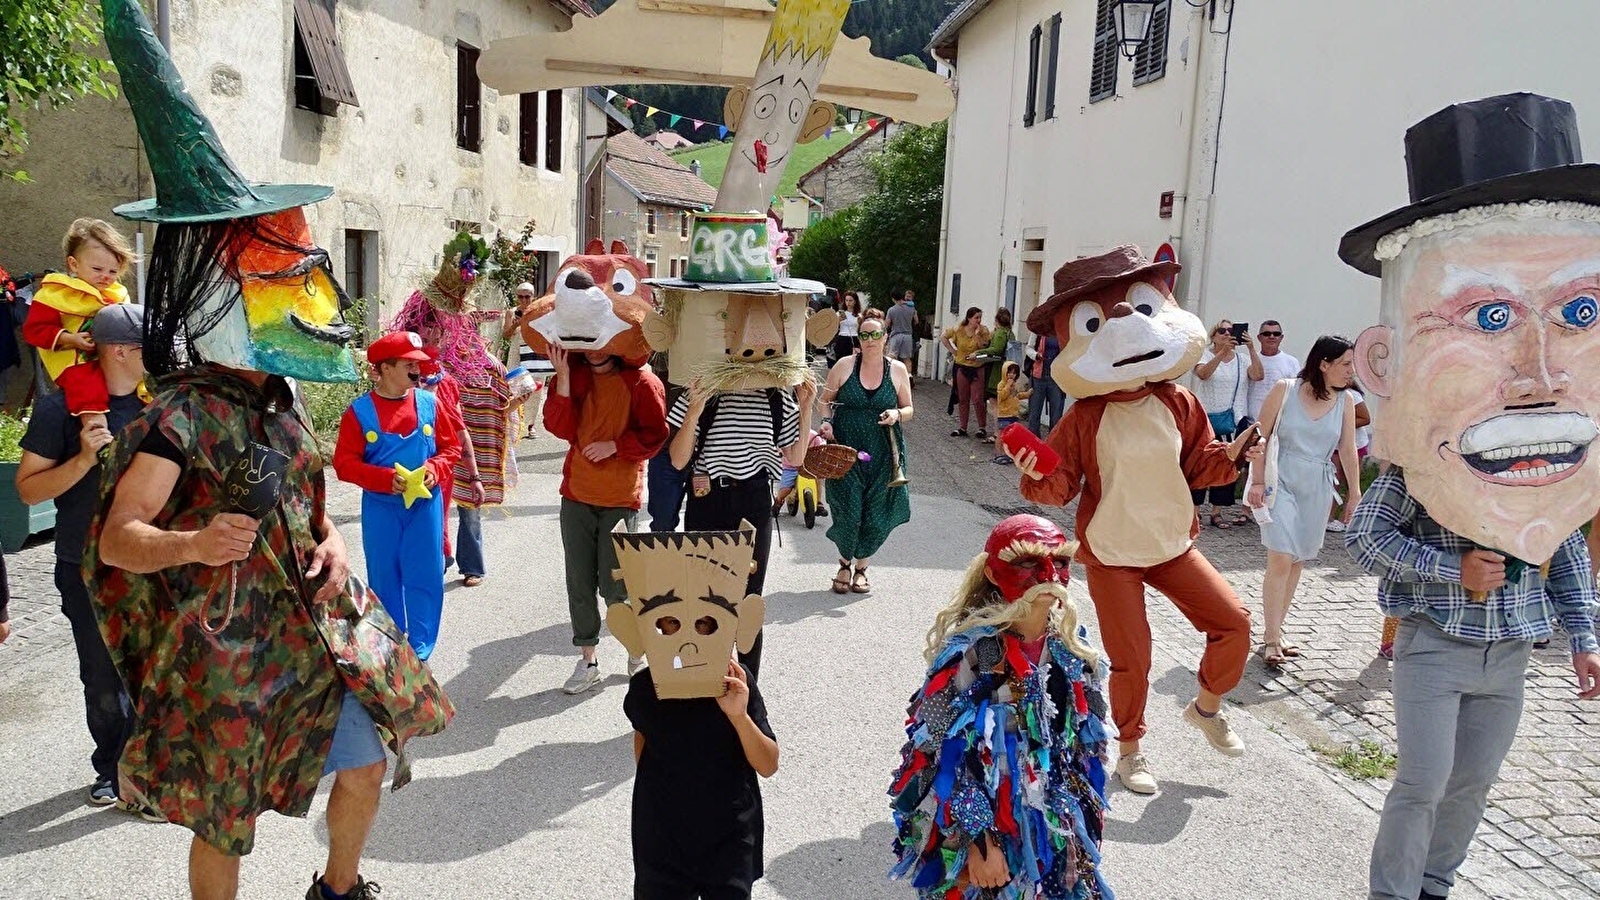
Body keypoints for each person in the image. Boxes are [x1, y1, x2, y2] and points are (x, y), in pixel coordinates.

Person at [84, 7, 451, 895]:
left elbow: (310, 512)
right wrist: (191, 544)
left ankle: (339, 887)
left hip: (314, 633)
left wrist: (328, 544)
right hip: (229, 658)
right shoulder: (181, 417)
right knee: (227, 818)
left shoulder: (279, 403)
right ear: (216, 288)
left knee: (366, 764)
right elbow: (118, 537)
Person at [1337, 93, 1600, 900]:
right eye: (1488, 316)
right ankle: (1393, 894)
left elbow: (1562, 547)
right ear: (1386, 361)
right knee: (1419, 785)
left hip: (1512, 652)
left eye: (1580, 311)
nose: (1541, 374)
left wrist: (1585, 635)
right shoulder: (1419, 467)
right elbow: (1364, 538)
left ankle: (1436, 886)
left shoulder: (1553, 462)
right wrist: (1456, 572)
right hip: (1437, 647)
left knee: (1472, 788)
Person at [1010, 245, 1259, 796]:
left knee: (1234, 623)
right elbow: (1058, 486)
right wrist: (1032, 472)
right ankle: (1130, 751)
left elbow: (1202, 464)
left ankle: (1207, 707)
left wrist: (1236, 455)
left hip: (1172, 545)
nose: (1122, 324)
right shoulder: (1084, 417)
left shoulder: (1178, 402)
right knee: (1133, 660)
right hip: (1113, 552)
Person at [888, 515, 1113, 899]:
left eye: (1059, 561)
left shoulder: (1075, 649)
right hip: (990, 828)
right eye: (1027, 563)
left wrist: (1081, 822)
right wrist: (978, 841)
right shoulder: (970, 655)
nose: (1047, 573)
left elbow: (1085, 748)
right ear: (993, 573)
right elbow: (939, 753)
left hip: (1055, 828)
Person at [14, 304, 152, 815]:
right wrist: (82, 461)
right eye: (145, 346)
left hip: (152, 557)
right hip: (85, 564)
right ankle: (112, 767)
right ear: (119, 350)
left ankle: (152, 763)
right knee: (101, 674)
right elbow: (27, 492)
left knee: (156, 666)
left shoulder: (158, 401)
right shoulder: (60, 409)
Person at [607, 527, 777, 900]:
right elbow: (644, 747)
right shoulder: (646, 689)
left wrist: (738, 716)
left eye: (705, 625)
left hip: (729, 836)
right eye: (669, 626)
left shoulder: (737, 682)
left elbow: (768, 763)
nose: (688, 640)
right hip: (663, 839)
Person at [543, 342, 669, 693]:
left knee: (617, 585)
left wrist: (616, 446)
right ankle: (588, 660)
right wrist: (565, 377)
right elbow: (559, 426)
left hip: (619, 497)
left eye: (603, 343)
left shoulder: (642, 382)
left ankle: (635, 650)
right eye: (589, 344)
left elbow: (655, 434)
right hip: (577, 494)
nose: (595, 351)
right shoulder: (576, 376)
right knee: (579, 581)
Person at [332, 331, 463, 662]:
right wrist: (383, 479)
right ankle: (390, 647)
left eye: (418, 363)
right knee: (384, 576)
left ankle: (420, 653)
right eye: (409, 363)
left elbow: (451, 447)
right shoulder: (359, 412)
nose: (417, 369)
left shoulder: (430, 404)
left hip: (425, 508)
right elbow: (344, 464)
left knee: (426, 574)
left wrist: (435, 467)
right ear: (385, 368)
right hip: (381, 509)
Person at [1245, 336, 1361, 666]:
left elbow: (1349, 450)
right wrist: (1255, 480)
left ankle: (1276, 632)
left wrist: (1354, 493)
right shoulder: (1285, 389)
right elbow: (1260, 436)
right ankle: (1269, 640)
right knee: (1280, 556)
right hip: (1280, 481)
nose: (1351, 371)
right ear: (1324, 364)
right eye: (1345, 364)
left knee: (1296, 561)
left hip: (1318, 487)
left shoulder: (1347, 401)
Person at [817, 310, 912, 593]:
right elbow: (825, 401)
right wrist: (825, 422)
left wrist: (896, 413)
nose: (870, 339)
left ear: (884, 337)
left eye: (875, 334)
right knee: (847, 508)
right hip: (846, 449)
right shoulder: (845, 366)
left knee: (875, 512)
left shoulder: (897, 370)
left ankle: (862, 569)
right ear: (859, 338)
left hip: (884, 451)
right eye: (864, 334)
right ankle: (844, 565)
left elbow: (909, 409)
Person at [21, 218, 136, 432]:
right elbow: (34, 331)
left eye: (113, 272)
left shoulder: (115, 293)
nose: (105, 277)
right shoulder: (55, 295)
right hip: (76, 363)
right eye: (97, 269)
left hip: (112, 360)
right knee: (88, 388)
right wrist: (69, 338)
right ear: (74, 264)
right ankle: (95, 431)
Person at [1192, 319, 1251, 528]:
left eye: (1230, 330)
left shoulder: (1241, 360)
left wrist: (1251, 347)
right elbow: (1203, 374)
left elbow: (1258, 375)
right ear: (1213, 335)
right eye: (1222, 330)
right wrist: (1221, 353)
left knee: (1225, 464)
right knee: (1199, 465)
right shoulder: (1204, 354)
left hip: (1231, 421)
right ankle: (1195, 511)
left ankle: (1217, 512)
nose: (1227, 333)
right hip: (1205, 419)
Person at [1327, 385, 1372, 535]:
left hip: (1355, 444)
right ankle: (1328, 517)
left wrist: (1343, 423)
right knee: (1334, 480)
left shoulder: (1352, 395)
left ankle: (1345, 519)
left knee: (1350, 480)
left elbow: (1365, 418)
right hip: (1334, 442)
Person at [942, 307, 990, 438]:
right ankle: (962, 426)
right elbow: (944, 336)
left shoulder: (983, 330)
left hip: (977, 367)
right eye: (976, 318)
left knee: (977, 399)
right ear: (969, 318)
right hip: (962, 366)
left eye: (980, 317)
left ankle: (982, 427)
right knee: (963, 398)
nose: (978, 320)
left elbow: (984, 347)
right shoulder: (959, 329)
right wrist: (953, 351)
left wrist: (977, 334)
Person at [1245, 319, 1298, 421]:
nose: (1272, 336)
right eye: (1267, 334)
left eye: (1276, 334)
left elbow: (1296, 394)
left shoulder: (1292, 362)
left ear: (1281, 337)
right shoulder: (1249, 360)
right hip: (1253, 423)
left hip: (1280, 424)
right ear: (1259, 338)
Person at [980, 308, 1016, 442]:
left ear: (997, 320)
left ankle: (998, 433)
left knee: (996, 405)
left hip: (997, 372)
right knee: (1004, 405)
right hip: (1008, 371)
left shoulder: (1000, 333)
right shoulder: (1010, 333)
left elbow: (996, 350)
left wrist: (978, 354)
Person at [1025, 330, 1066, 436]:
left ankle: (1053, 443)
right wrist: (1036, 355)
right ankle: (1033, 443)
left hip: (1056, 378)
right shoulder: (1038, 329)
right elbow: (1028, 348)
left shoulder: (1062, 329)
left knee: (1056, 415)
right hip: (1038, 376)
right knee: (1034, 414)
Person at [990, 360, 1029, 464]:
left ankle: (1008, 454)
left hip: (1013, 414)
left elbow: (1017, 395)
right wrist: (1008, 386)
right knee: (1001, 435)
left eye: (1014, 373)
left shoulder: (1015, 385)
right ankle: (998, 454)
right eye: (1009, 372)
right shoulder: (1001, 385)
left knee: (1011, 436)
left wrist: (1027, 394)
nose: (1011, 375)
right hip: (1004, 415)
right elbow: (1001, 396)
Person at [884, 289, 918, 384]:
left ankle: (892, 378)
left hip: (896, 335)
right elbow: (916, 321)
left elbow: (887, 324)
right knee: (907, 358)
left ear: (893, 299)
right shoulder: (911, 308)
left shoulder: (892, 310)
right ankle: (909, 377)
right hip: (907, 335)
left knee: (892, 358)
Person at [831, 290, 861, 362]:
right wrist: (838, 320)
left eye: (850, 300)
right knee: (841, 360)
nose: (848, 303)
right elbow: (833, 327)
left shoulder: (859, 315)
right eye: (846, 300)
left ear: (855, 301)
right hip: (842, 338)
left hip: (854, 339)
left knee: (854, 361)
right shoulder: (841, 313)